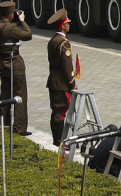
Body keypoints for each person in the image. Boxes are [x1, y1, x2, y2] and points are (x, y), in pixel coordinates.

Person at [0, 1, 33, 135]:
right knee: (20, 95)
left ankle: (4, 124)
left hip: (3, 63)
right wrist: (21, 21)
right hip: (15, 64)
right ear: (10, 15)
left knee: (5, 94)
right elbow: (28, 35)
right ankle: (19, 128)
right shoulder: (12, 28)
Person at [46, 8, 77, 146]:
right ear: (62, 25)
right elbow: (67, 66)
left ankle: (56, 138)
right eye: (67, 23)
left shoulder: (52, 40)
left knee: (56, 110)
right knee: (61, 111)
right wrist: (72, 83)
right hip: (61, 83)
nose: (68, 25)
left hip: (53, 80)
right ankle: (59, 140)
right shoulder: (64, 43)